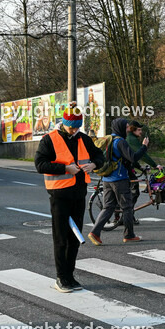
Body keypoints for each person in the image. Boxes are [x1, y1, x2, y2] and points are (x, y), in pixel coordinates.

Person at [35, 106, 106, 293]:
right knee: (61, 238)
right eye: (71, 127)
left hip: (78, 194)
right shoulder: (49, 139)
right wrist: (66, 169)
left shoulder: (84, 139)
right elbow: (40, 164)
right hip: (59, 196)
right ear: (64, 123)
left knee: (75, 238)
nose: (74, 130)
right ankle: (61, 278)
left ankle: (70, 276)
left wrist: (94, 164)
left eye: (76, 127)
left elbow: (100, 155)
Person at [87, 117, 149, 246]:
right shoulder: (120, 142)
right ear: (120, 127)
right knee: (127, 207)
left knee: (108, 207)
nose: (128, 129)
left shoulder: (109, 140)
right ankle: (129, 235)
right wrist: (144, 147)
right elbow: (132, 158)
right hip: (119, 179)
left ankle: (95, 232)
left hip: (107, 178)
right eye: (126, 127)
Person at [125, 120, 161, 224]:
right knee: (134, 191)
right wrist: (155, 165)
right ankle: (128, 216)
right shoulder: (131, 139)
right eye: (139, 130)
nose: (141, 132)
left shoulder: (131, 138)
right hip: (126, 169)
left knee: (125, 193)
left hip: (127, 167)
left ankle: (122, 216)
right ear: (133, 129)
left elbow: (132, 157)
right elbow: (141, 155)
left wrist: (140, 167)